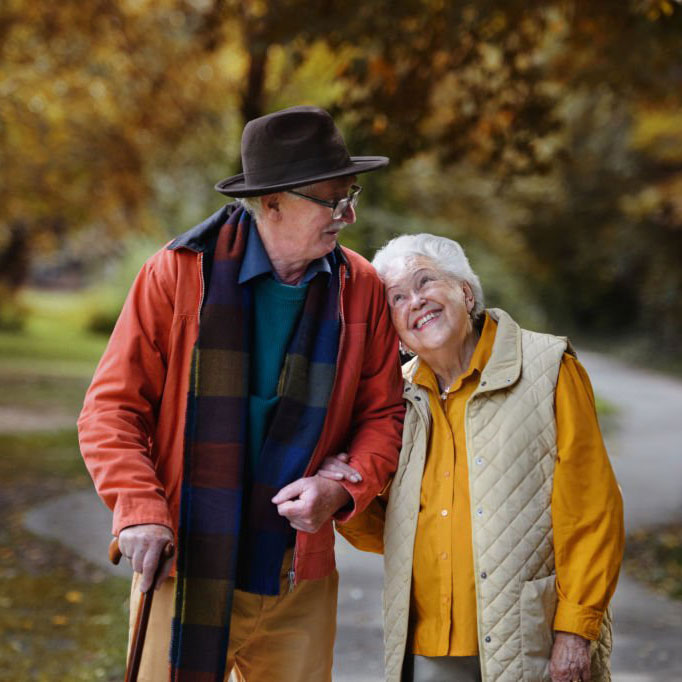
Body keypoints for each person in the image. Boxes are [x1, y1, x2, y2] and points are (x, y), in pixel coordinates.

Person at [77, 105, 405, 682]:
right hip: (186, 561)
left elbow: (384, 415)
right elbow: (111, 409)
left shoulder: (363, 288)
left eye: (350, 195)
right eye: (332, 200)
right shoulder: (176, 274)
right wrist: (140, 511)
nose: (348, 215)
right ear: (272, 202)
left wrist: (340, 484)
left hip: (297, 572)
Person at [320, 234, 624, 682]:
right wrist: (343, 492)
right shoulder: (393, 398)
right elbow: (392, 535)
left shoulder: (547, 368)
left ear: (465, 290)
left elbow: (592, 511)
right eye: (397, 297)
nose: (415, 301)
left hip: (531, 638)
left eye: (426, 282)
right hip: (428, 645)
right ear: (394, 329)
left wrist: (576, 630)